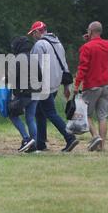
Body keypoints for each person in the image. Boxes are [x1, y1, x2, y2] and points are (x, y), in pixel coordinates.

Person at [28, 21, 79, 152]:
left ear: (37, 32)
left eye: (33, 33)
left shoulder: (40, 45)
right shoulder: (57, 42)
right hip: (56, 83)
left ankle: (70, 137)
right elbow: (64, 64)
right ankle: (41, 143)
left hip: (44, 85)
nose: (33, 36)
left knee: (50, 113)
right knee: (40, 112)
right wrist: (67, 86)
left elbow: (36, 67)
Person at [74, 21, 108, 152]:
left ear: (90, 31)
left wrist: (76, 84)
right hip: (106, 84)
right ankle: (102, 146)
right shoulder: (107, 45)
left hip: (92, 85)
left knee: (85, 114)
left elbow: (83, 67)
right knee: (103, 116)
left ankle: (95, 137)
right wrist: (88, 41)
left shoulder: (87, 47)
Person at [6, 36, 41, 153]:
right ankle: (33, 145)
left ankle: (26, 139)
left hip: (23, 93)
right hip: (36, 92)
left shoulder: (16, 59)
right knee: (31, 118)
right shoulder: (33, 58)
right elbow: (40, 76)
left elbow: (11, 78)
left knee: (12, 114)